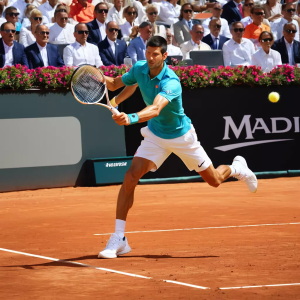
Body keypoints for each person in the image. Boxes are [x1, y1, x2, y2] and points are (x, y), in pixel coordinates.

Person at [97, 35, 258, 259]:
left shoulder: (171, 81)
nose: (150, 58)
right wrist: (96, 76)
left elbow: (155, 109)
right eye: (148, 53)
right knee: (130, 176)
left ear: (164, 56)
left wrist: (131, 118)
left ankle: (237, 168)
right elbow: (116, 84)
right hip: (155, 135)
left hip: (182, 137)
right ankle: (119, 238)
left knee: (214, 180)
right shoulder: (140, 68)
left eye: (156, 54)